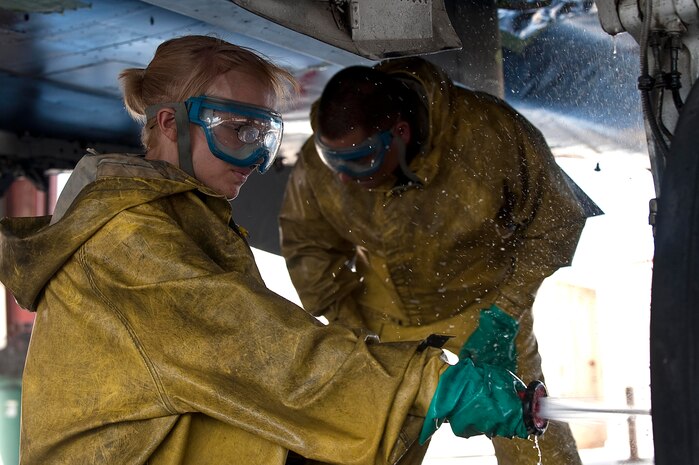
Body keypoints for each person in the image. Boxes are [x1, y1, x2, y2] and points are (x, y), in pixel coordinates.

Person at [0, 36, 536, 465]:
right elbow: (256, 347)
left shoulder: (175, 216)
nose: (256, 160)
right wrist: (431, 385)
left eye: (265, 136)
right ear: (170, 124)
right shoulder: (128, 238)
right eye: (237, 131)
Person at [279, 57, 593, 465]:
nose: (343, 177)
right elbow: (308, 243)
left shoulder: (491, 132)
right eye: (332, 162)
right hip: (378, 313)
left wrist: (507, 312)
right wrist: (344, 321)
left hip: (485, 305)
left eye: (359, 161)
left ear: (400, 134)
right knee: (364, 446)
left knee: (533, 440)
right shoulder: (323, 164)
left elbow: (555, 219)